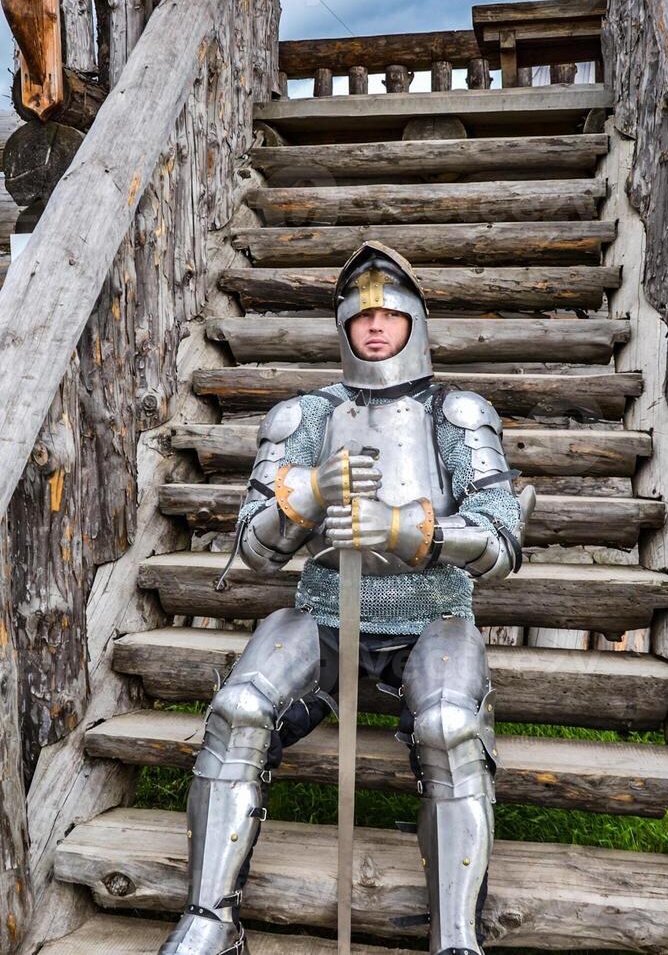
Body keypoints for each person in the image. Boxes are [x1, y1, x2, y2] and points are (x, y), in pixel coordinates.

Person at [162, 242, 529, 955]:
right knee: (238, 710)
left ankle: (456, 937)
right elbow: (254, 547)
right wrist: (306, 496)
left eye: (389, 313)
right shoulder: (305, 418)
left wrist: (405, 528)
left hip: (434, 612)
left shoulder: (455, 414)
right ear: (341, 327)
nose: (374, 327)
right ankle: (209, 919)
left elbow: (501, 541)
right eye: (360, 317)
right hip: (327, 607)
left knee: (451, 727)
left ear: (415, 321)